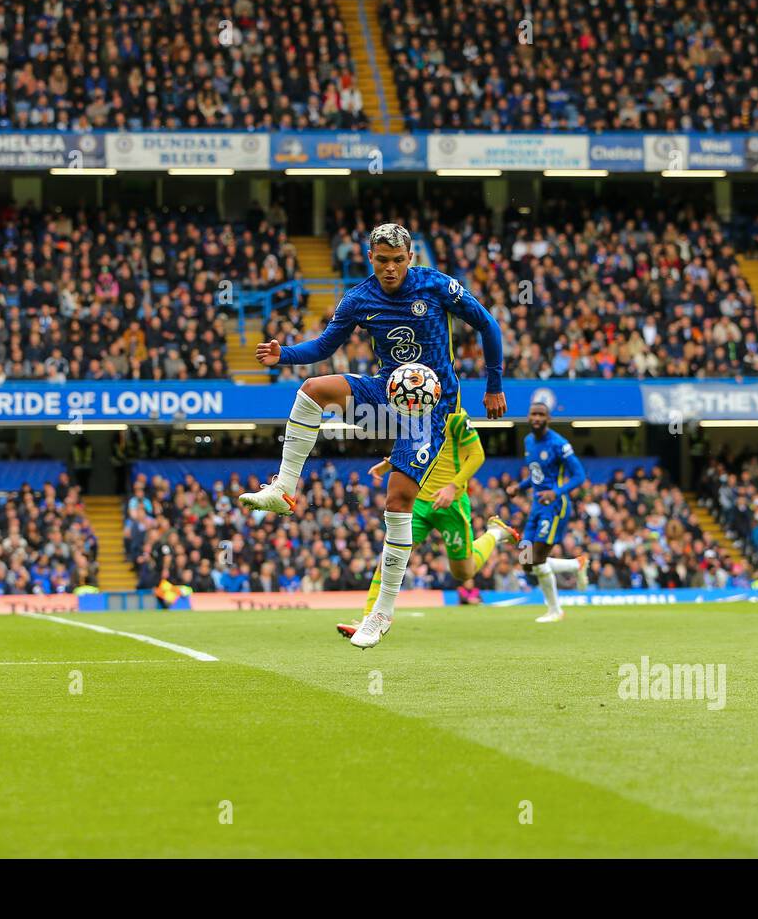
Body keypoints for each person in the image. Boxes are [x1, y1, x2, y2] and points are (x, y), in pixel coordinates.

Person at [239, 223, 505, 648]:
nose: (390, 268)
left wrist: (493, 385)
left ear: (411, 258)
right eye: (382, 260)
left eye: (398, 260)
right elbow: (325, 347)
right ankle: (283, 489)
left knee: (397, 501)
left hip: (430, 411)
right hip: (385, 394)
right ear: (370, 258)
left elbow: (488, 325)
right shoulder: (360, 299)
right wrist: (283, 354)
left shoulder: (437, 287)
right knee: (312, 391)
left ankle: (380, 614)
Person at [336, 408, 519, 638]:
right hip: (419, 503)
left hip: (451, 503)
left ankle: (495, 533)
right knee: (389, 558)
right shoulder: (416, 412)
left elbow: (477, 455)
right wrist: (390, 464)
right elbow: (419, 449)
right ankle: (367, 619)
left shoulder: (458, 416)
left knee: (463, 572)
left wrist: (452, 487)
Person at [505, 399, 588, 622]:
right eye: (534, 414)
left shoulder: (559, 444)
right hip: (535, 506)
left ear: (548, 419)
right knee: (526, 561)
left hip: (554, 506)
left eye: (541, 414)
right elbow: (536, 475)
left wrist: (556, 492)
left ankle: (555, 610)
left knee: (539, 558)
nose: (537, 418)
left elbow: (579, 476)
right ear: (529, 416)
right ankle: (575, 564)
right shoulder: (528, 441)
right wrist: (519, 487)